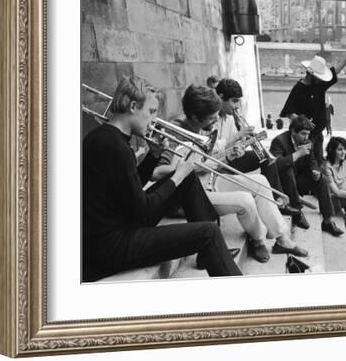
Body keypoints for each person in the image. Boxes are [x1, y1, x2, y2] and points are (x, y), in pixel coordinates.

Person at [82, 76, 242, 282]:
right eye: (151, 112)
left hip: (118, 225)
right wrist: (177, 177)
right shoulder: (115, 147)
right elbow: (144, 213)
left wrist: (153, 155)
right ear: (132, 106)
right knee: (208, 233)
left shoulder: (107, 137)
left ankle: (209, 255)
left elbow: (131, 191)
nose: (154, 119)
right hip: (112, 247)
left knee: (188, 179)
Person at [153, 85, 308, 261]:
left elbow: (207, 158)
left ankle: (282, 239)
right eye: (212, 119)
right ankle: (257, 240)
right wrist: (193, 166)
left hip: (208, 181)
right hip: (188, 197)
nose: (214, 122)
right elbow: (156, 172)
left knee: (261, 180)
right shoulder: (174, 132)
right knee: (245, 200)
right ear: (195, 116)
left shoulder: (199, 128)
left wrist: (228, 155)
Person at [214, 78, 307, 223]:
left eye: (239, 101)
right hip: (217, 163)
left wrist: (247, 142)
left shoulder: (231, 117)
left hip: (230, 158)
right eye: (234, 101)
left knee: (264, 156)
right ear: (220, 97)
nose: (237, 106)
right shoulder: (211, 119)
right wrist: (238, 136)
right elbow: (214, 153)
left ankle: (276, 201)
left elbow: (232, 147)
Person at [270, 115, 344, 237]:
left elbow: (313, 161)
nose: (306, 137)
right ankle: (297, 212)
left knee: (322, 179)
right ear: (293, 131)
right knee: (287, 169)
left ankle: (328, 221)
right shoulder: (279, 141)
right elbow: (274, 166)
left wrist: (316, 171)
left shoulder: (307, 141)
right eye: (303, 134)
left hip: (297, 181)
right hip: (282, 185)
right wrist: (298, 154)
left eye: (308, 134)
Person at [280, 55, 346, 163]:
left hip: (318, 132)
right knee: (308, 163)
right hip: (305, 136)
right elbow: (289, 112)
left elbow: (333, 73)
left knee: (319, 160)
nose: (321, 79)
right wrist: (304, 122)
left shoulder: (319, 85)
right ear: (311, 75)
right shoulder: (298, 89)